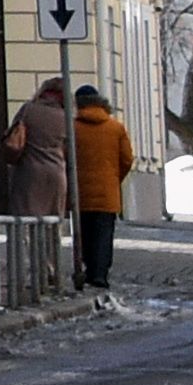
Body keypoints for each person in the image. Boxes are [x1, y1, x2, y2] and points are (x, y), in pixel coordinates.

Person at [72, 84, 134, 289]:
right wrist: (114, 178)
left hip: (80, 192)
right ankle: (100, 273)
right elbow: (126, 159)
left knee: (84, 234)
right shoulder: (115, 128)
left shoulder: (72, 128)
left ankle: (88, 268)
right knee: (103, 234)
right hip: (108, 192)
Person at [4, 76, 75, 220]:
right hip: (56, 174)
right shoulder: (66, 118)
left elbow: (13, 133)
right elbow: (69, 148)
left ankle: (26, 243)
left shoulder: (28, 110)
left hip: (29, 172)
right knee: (53, 221)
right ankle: (51, 243)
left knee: (25, 220)